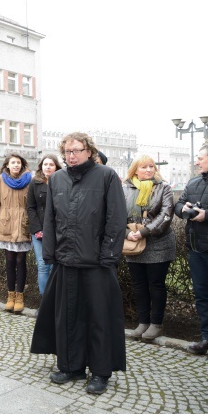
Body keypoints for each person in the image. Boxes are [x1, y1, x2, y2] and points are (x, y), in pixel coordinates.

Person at [30, 132, 127, 395]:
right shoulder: (57, 179)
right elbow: (49, 219)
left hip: (96, 262)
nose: (71, 156)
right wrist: (50, 253)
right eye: (67, 152)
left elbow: (117, 219)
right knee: (68, 318)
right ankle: (71, 366)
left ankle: (100, 372)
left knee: (99, 319)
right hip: (65, 261)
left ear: (88, 150)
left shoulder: (106, 176)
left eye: (76, 150)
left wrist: (108, 255)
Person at [123, 155, 176, 341]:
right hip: (134, 244)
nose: (148, 170)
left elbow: (166, 214)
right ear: (135, 170)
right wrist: (125, 233)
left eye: (151, 166)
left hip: (158, 243)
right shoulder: (126, 189)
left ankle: (156, 323)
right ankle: (143, 322)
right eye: (143, 167)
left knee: (156, 285)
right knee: (139, 285)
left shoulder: (164, 188)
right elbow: (116, 214)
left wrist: (145, 231)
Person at [175, 144, 208, 355]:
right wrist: (184, 209)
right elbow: (178, 204)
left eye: (200, 158)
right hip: (196, 249)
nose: (196, 162)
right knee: (203, 296)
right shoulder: (193, 182)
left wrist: (206, 215)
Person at [0, 153, 31, 313]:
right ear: (7, 165)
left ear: (22, 165)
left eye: (18, 163)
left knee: (21, 261)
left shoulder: (29, 179)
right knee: (9, 261)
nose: (16, 165)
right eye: (13, 162)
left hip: (23, 225)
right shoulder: (1, 179)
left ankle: (20, 297)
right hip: (6, 224)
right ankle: (10, 296)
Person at [27, 154, 62, 297]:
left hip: (58, 230)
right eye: (45, 164)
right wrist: (37, 229)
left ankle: (55, 300)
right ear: (41, 166)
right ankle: (44, 301)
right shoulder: (34, 183)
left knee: (55, 265)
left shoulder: (62, 181)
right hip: (39, 231)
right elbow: (30, 207)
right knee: (42, 265)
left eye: (51, 164)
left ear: (56, 167)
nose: (48, 167)